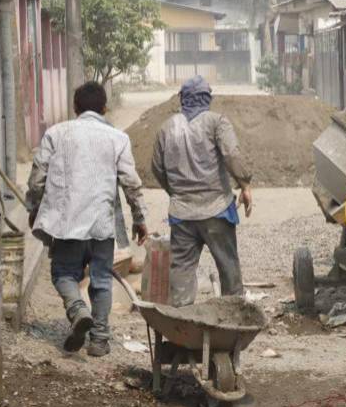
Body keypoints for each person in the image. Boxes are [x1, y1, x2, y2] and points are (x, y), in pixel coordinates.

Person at [26, 82, 148, 357]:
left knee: (63, 273)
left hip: (66, 224)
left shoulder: (56, 134)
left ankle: (77, 309)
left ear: (75, 108)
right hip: (102, 226)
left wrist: (34, 208)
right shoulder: (118, 138)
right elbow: (131, 183)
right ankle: (100, 341)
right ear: (104, 108)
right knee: (102, 280)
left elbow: (37, 179)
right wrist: (140, 219)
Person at [151, 75, 253, 307]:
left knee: (182, 272)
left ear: (182, 99)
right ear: (208, 98)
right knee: (228, 267)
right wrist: (245, 185)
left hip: (182, 214)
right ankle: (232, 315)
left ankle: (182, 322)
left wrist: (176, 192)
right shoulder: (217, 122)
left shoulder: (167, 128)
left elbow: (157, 168)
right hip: (217, 210)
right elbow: (232, 155)